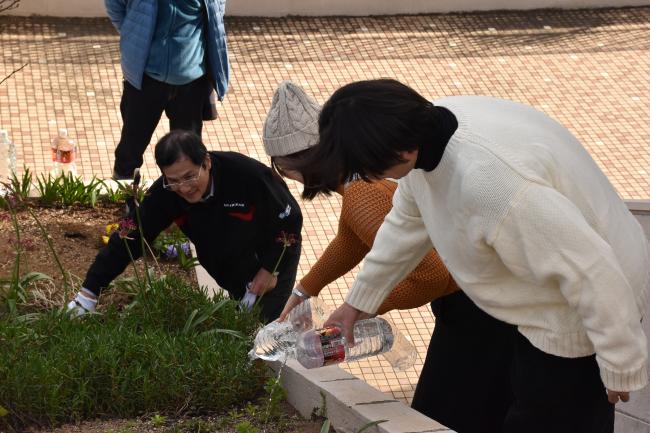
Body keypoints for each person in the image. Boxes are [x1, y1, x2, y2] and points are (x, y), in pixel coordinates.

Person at [292, 79, 649, 433]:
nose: (367, 179)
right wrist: (358, 304)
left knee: (554, 413)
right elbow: (403, 224)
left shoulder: (495, 186)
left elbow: (592, 270)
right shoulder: (423, 137)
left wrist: (620, 361)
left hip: (586, 304)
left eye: (368, 169)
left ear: (398, 153)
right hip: (536, 289)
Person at [262, 81, 517, 433]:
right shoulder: (355, 186)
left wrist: (365, 309)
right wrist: (304, 290)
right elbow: (351, 240)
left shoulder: (363, 195)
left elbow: (432, 277)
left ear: (297, 165)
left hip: (476, 306)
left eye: (281, 168)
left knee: (437, 415)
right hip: (479, 296)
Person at [67, 130, 302, 323]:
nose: (184, 188)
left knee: (266, 325)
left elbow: (291, 219)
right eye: (173, 180)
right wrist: (89, 292)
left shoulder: (248, 176)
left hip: (273, 254)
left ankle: (291, 319)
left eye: (190, 177)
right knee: (241, 316)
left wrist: (271, 269)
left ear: (206, 162)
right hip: (227, 262)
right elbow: (129, 235)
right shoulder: (164, 193)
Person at [105, 0, 229, 180]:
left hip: (191, 83)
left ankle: (185, 204)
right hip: (145, 80)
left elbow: (216, 12)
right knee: (130, 150)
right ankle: (127, 201)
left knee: (188, 154)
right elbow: (114, 6)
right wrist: (132, 34)